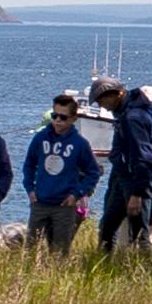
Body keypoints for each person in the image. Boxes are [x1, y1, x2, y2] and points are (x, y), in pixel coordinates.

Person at [95, 73, 152, 258]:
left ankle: (141, 269)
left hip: (136, 179)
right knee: (108, 227)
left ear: (117, 94)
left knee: (138, 233)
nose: (100, 105)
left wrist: (137, 193)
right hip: (125, 176)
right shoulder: (134, 108)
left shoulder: (133, 117)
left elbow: (143, 157)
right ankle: (104, 266)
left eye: (102, 99)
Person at [22, 92, 103, 255]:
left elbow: (93, 172)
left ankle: (55, 277)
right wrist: (30, 189)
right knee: (30, 250)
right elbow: (29, 165)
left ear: (73, 118)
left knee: (59, 252)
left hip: (64, 206)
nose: (58, 121)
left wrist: (77, 194)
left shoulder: (79, 144)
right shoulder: (40, 138)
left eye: (63, 117)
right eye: (55, 116)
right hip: (40, 202)